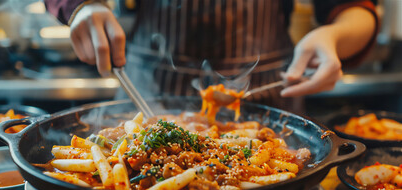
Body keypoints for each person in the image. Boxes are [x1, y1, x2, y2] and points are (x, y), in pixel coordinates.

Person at [44, 0, 378, 112]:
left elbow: (357, 10)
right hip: (145, 94)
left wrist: (334, 36)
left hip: (269, 95)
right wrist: (81, 5)